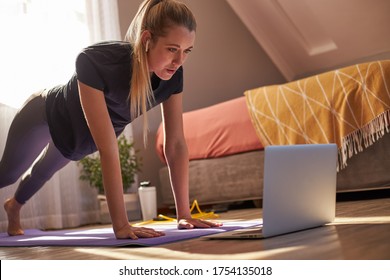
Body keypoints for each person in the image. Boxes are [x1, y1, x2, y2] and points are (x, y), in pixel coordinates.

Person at [0, 0, 221, 240]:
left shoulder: (173, 77)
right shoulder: (97, 61)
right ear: (147, 39)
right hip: (44, 113)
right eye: (172, 49)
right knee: (7, 175)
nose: (179, 61)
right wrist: (121, 225)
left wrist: (184, 214)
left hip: (77, 138)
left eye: (187, 51)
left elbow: (176, 143)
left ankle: (14, 206)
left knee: (42, 172)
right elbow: (108, 148)